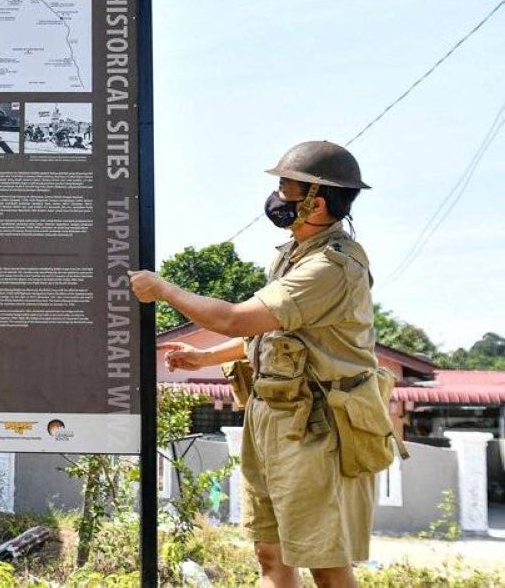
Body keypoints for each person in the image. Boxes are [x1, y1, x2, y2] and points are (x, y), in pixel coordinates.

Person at [129, 141, 375, 588]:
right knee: (270, 556)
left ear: (317, 203)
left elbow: (235, 319)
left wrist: (163, 290)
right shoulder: (294, 254)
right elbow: (274, 335)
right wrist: (208, 357)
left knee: (325, 563)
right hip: (272, 416)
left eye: (286, 189)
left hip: (314, 427)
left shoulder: (330, 267)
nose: (277, 198)